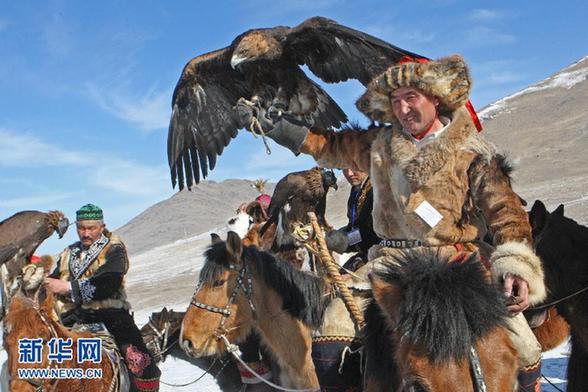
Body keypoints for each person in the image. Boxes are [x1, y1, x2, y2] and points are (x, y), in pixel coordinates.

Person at [236, 55, 546, 391]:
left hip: (456, 263)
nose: (402, 110)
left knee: (527, 351)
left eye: (411, 98)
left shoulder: (473, 152)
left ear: (435, 97)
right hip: (389, 265)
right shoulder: (378, 144)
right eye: (395, 101)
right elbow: (328, 146)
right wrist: (276, 127)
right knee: (328, 344)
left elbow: (507, 213)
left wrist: (515, 266)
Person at [44, 204, 160, 392]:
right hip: (74, 317)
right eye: (81, 228)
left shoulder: (114, 249)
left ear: (102, 226)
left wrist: (67, 287)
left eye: (92, 228)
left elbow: (109, 282)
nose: (86, 233)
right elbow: (54, 280)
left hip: (111, 316)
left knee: (142, 365)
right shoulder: (68, 253)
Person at [339, 168, 381, 272]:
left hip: (381, 250)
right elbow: (354, 225)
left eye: (354, 168)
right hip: (366, 250)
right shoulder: (356, 190)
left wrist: (344, 240)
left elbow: (373, 234)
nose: (349, 173)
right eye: (345, 169)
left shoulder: (378, 190)